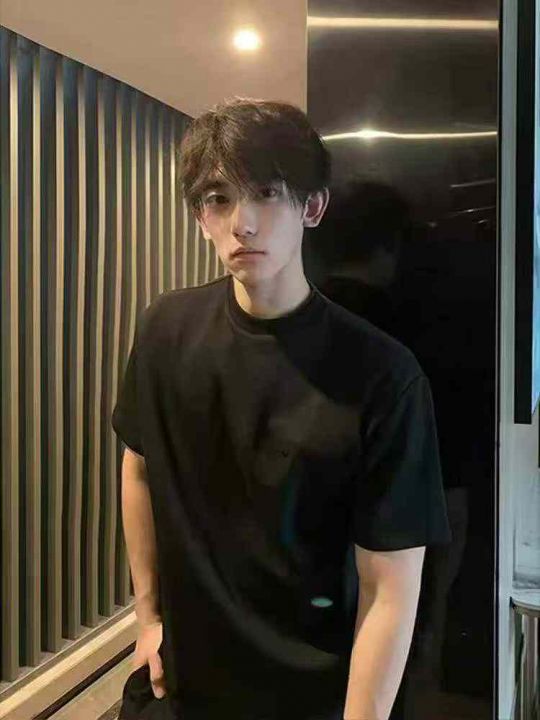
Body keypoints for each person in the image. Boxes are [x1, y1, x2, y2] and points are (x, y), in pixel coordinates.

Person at [112, 97, 451, 720]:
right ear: (201, 217)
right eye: (219, 199)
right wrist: (148, 615)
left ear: (312, 206)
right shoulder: (165, 329)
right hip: (176, 688)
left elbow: (390, 588)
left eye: (267, 194)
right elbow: (138, 466)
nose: (242, 223)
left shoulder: (383, 376)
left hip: (310, 696)